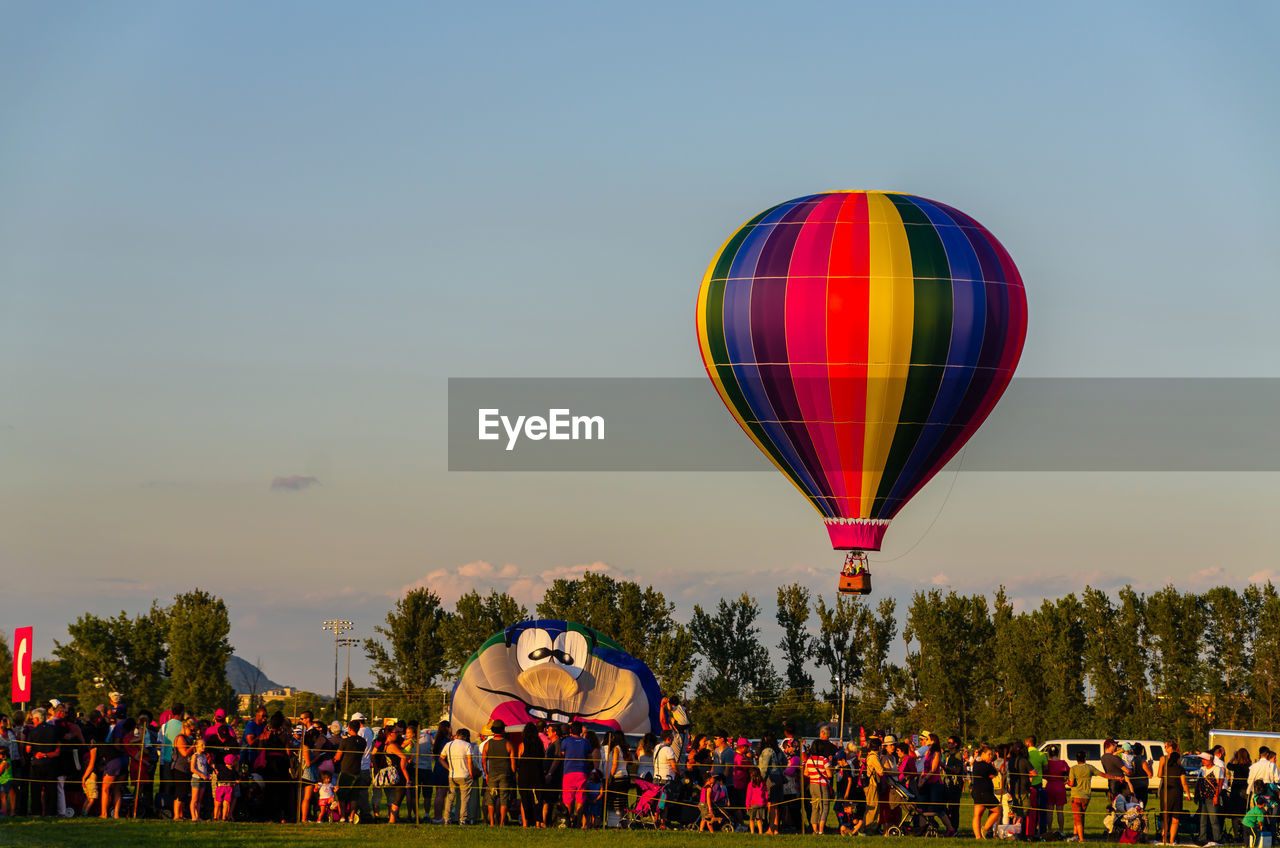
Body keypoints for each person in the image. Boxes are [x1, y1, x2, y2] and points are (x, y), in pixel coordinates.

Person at [481, 719, 515, 827]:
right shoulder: (508, 744)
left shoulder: (487, 744)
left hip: (492, 774)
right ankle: (501, 822)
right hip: (505, 774)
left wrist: (486, 773)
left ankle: (491, 822)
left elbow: (484, 761)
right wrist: (513, 773)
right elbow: (513, 762)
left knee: (491, 798)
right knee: (504, 798)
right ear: (503, 729)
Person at [441, 727, 477, 825]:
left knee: (450, 797)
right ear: (464, 737)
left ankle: (446, 818)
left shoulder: (448, 745)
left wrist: (448, 768)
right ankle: (462, 820)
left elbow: (441, 759)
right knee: (464, 798)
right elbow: (469, 760)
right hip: (465, 774)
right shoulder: (467, 745)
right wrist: (470, 772)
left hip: (452, 775)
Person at [1157, 739, 1190, 845]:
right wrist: (1188, 793)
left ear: (1171, 747)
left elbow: (1159, 775)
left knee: (1165, 816)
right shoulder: (1179, 763)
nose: (1165, 748)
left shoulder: (1163, 759)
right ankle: (1171, 840)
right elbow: (1183, 782)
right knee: (1175, 817)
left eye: (1166, 746)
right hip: (1176, 791)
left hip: (1166, 790)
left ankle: (1164, 839)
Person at [1066, 748, 1103, 842]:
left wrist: (1067, 782)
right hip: (1086, 796)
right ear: (1085, 758)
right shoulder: (1090, 767)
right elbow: (1102, 774)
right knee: (1079, 816)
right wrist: (1115, 777)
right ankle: (1075, 835)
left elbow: (1071, 783)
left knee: (1077, 818)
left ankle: (1081, 840)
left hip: (1076, 796)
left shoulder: (1073, 769)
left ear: (1076, 759)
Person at [334, 720, 367, 823]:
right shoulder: (362, 741)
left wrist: (335, 757)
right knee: (354, 796)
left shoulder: (344, 741)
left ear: (349, 728)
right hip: (357, 770)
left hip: (345, 771)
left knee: (342, 795)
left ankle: (343, 817)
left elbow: (338, 757)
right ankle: (351, 817)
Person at [516, 723, 547, 828]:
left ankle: (526, 823)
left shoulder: (522, 745)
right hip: (537, 774)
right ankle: (538, 822)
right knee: (538, 799)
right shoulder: (540, 744)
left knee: (525, 799)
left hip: (524, 775)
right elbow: (543, 759)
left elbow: (518, 761)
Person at [1197, 749, 1226, 845]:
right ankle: (1202, 838)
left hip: (1212, 797)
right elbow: (1199, 783)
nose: (1203, 761)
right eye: (1202, 759)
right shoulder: (1202, 769)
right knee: (1202, 819)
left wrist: (1216, 796)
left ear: (1210, 759)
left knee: (1213, 819)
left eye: (1204, 759)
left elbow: (1219, 784)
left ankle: (1217, 838)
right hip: (1203, 798)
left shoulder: (1217, 769)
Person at [804, 735, 832, 834]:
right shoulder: (824, 760)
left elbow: (805, 773)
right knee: (824, 807)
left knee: (814, 808)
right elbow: (829, 774)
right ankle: (821, 830)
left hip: (812, 785)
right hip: (822, 785)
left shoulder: (809, 760)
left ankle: (814, 830)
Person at [604, 729, 631, 828]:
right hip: (625, 776)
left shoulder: (616, 749)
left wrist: (610, 777)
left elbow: (615, 764)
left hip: (618, 777)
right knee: (624, 801)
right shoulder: (625, 749)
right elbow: (628, 762)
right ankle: (625, 822)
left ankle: (615, 822)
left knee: (616, 801)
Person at [746, 767, 768, 834]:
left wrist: (747, 805)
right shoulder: (763, 784)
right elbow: (766, 794)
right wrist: (766, 802)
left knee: (752, 819)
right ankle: (760, 832)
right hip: (761, 803)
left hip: (753, 804)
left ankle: (752, 832)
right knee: (759, 819)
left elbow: (748, 796)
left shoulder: (750, 785)